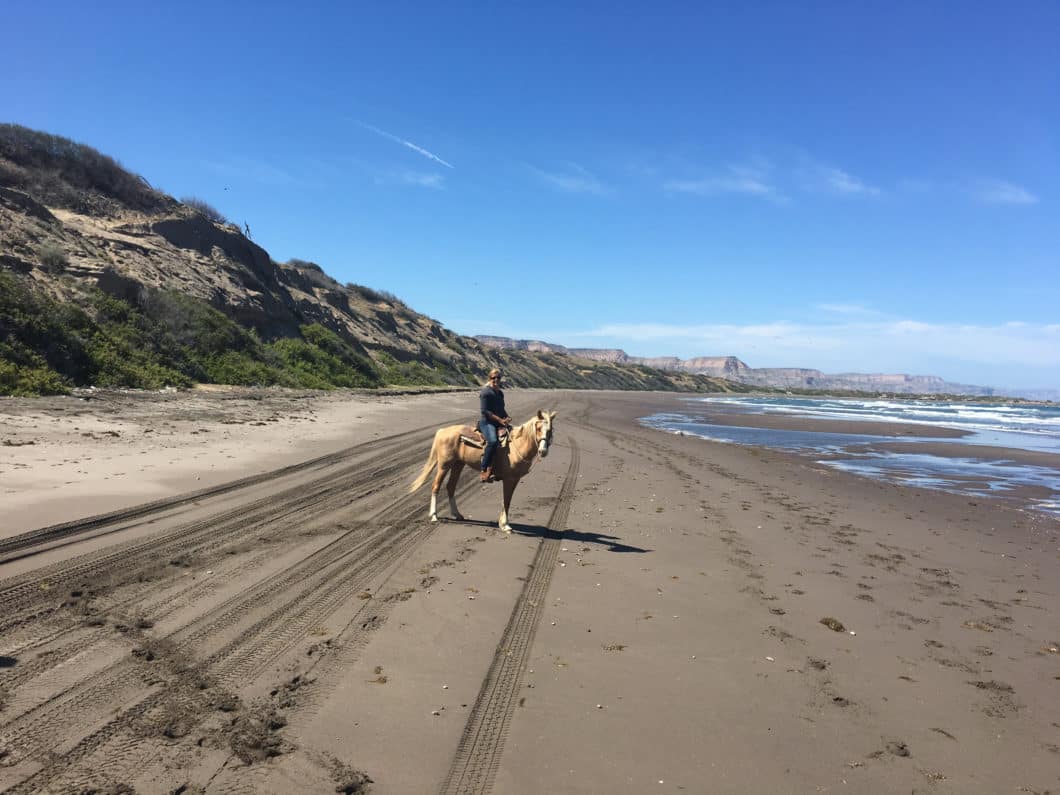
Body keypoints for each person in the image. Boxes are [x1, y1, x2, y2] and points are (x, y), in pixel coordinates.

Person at [478, 368, 511, 482]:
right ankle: (484, 468)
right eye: (493, 378)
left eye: (498, 378)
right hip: (486, 422)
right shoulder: (485, 392)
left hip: (498, 422)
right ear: (489, 378)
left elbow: (501, 409)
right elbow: (485, 411)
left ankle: (500, 468)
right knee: (493, 441)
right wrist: (500, 420)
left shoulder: (500, 393)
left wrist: (506, 417)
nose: (496, 380)